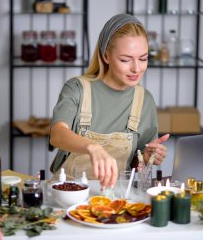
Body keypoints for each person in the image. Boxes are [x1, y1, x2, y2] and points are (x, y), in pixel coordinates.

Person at [49, 14, 169, 188]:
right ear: (106, 56)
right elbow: (57, 134)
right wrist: (93, 148)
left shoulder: (144, 100)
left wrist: (147, 156)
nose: (136, 68)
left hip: (116, 200)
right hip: (70, 196)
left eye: (143, 58)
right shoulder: (77, 89)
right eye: (125, 60)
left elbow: (136, 164)